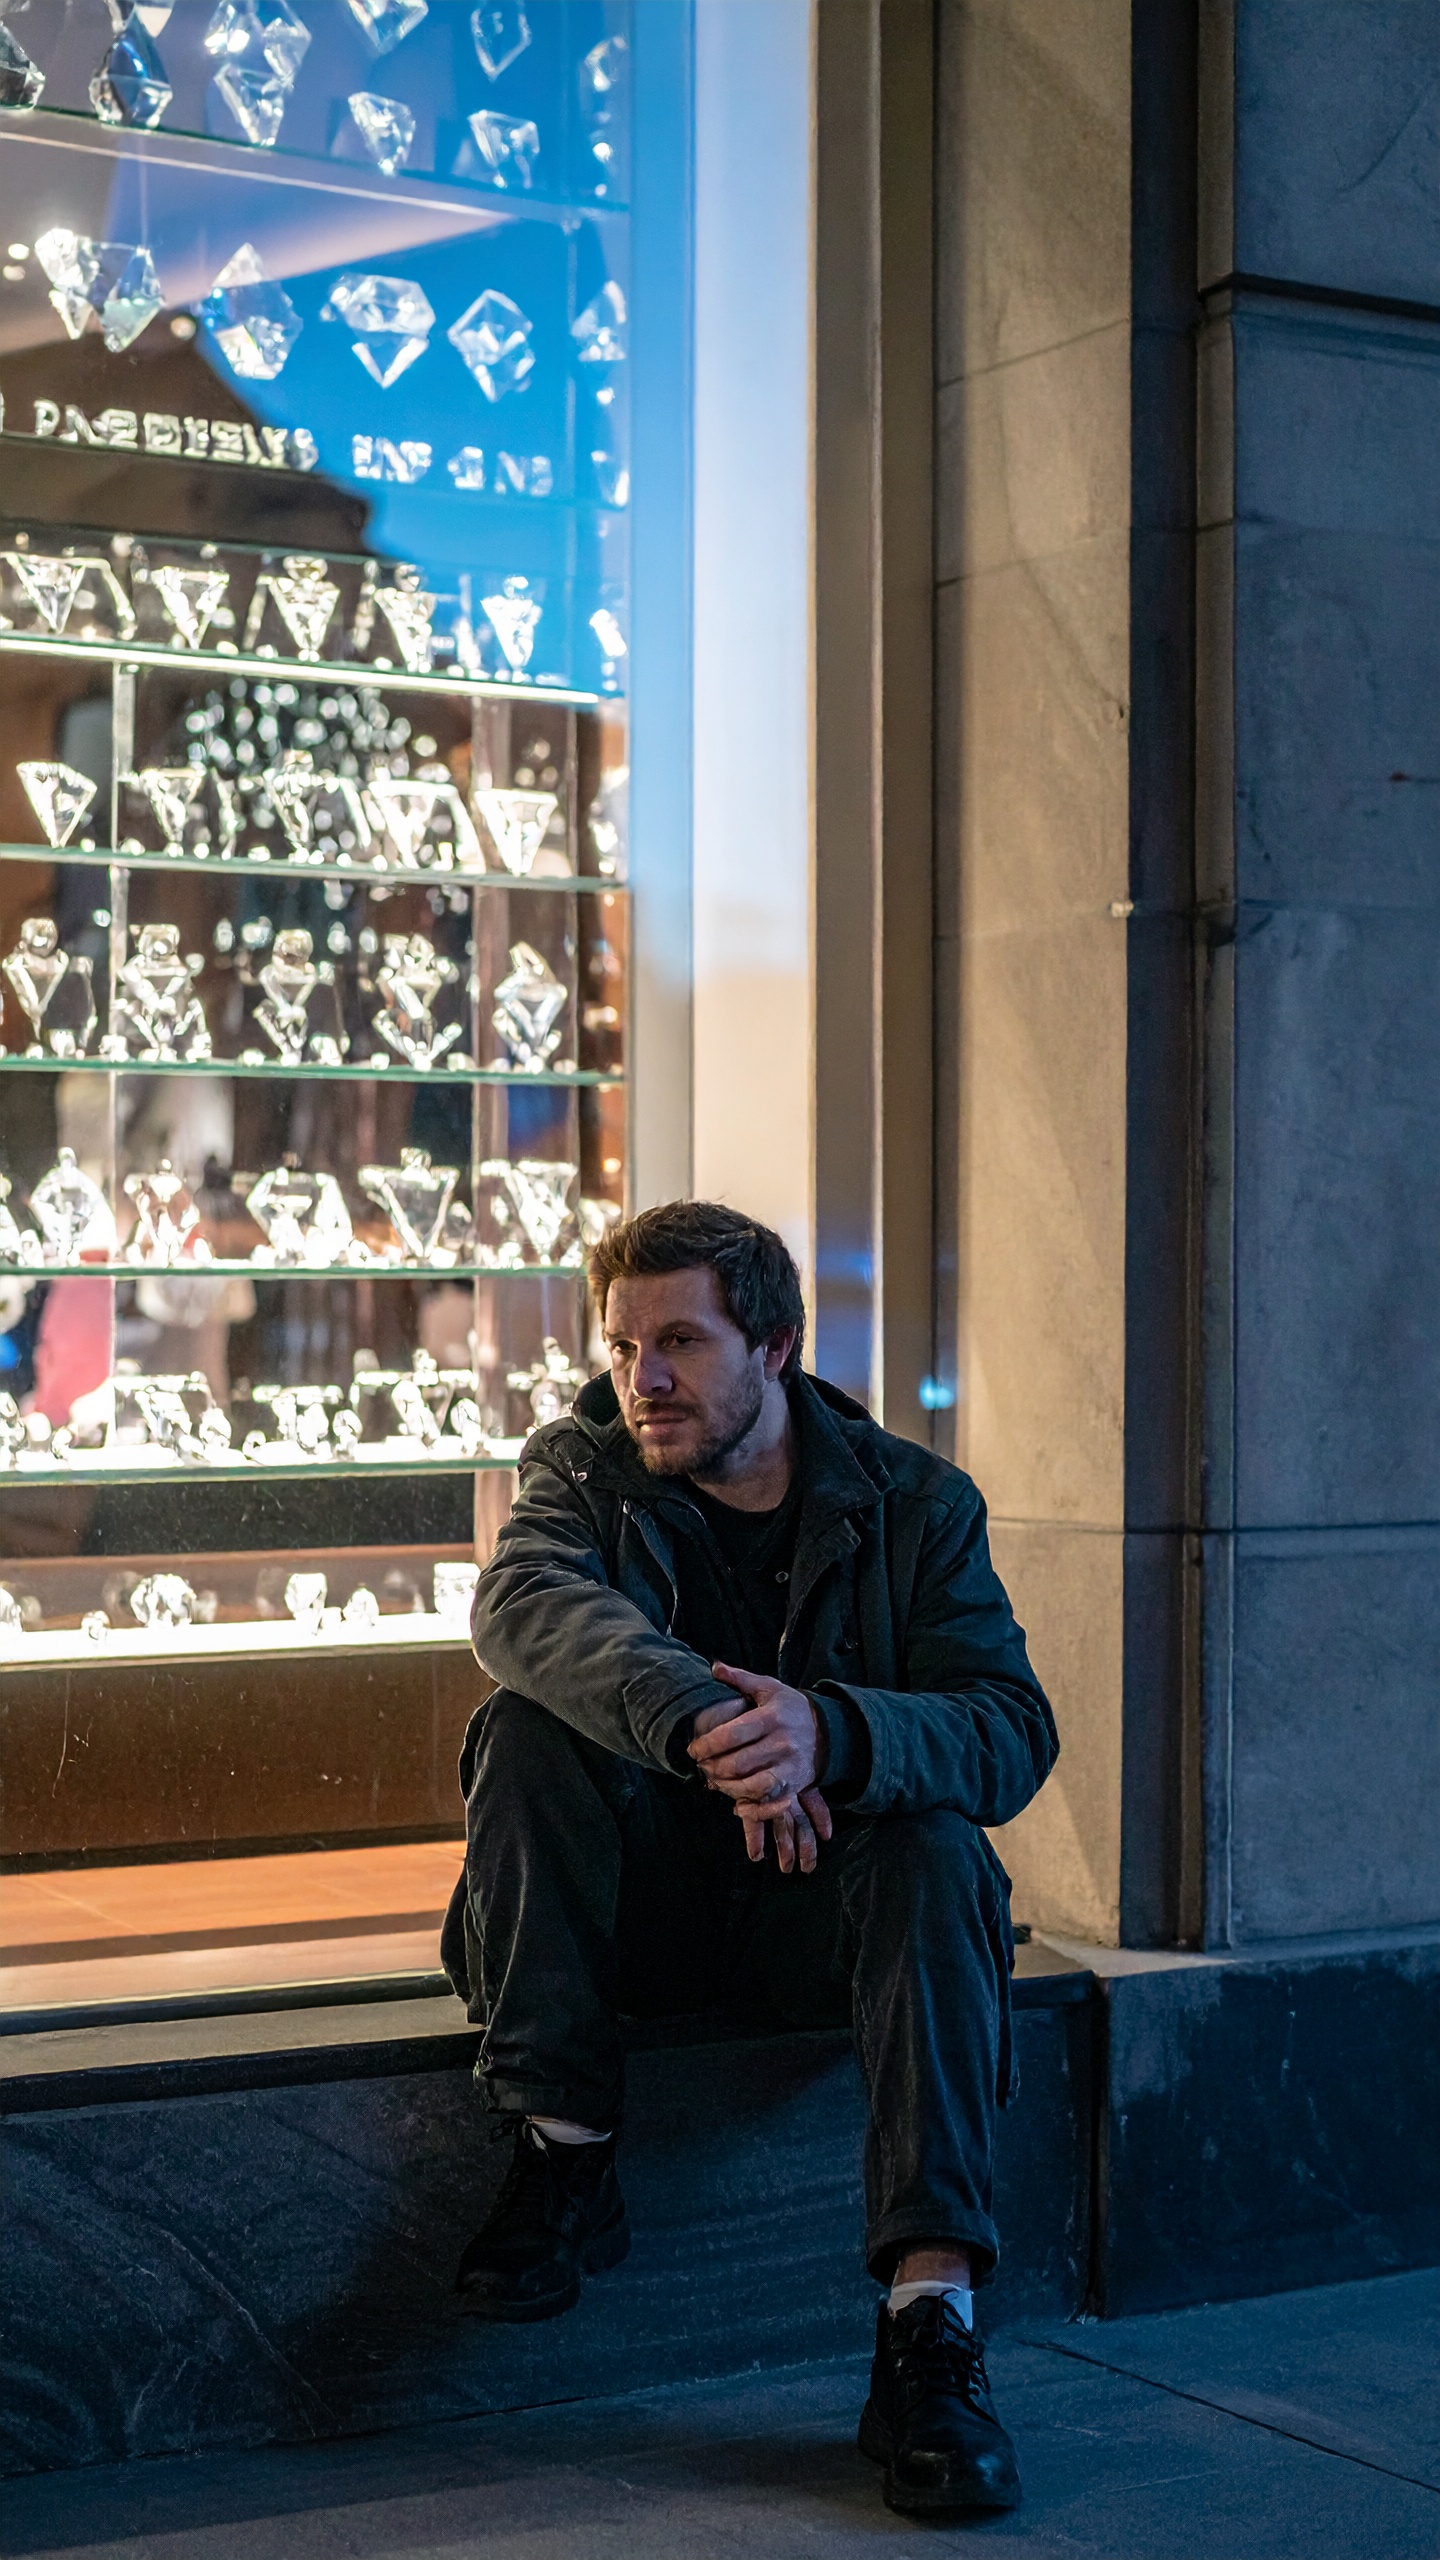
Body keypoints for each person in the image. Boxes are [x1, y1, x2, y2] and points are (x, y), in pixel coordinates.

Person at [441, 1201, 1058, 2519]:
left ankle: (930, 2332)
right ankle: (563, 2146)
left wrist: (829, 1733)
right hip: (639, 1915)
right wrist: (725, 1727)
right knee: (523, 1728)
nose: (641, 1380)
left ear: (774, 1344)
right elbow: (522, 1609)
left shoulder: (913, 1502)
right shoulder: (584, 1471)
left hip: (814, 1925)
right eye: (621, 1346)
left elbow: (1010, 1731)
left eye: (679, 1341)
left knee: (942, 1849)